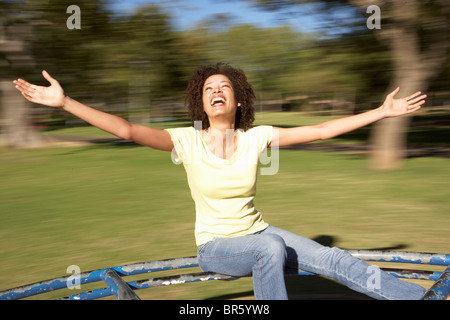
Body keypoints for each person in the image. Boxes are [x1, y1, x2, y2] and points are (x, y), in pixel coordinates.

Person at [13, 63, 427, 300]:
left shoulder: (257, 137)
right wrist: (65, 102)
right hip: (216, 248)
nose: (216, 91)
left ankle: (424, 299)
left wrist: (381, 112)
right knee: (269, 246)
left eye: (224, 87)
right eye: (209, 88)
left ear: (237, 99)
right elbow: (126, 130)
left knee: (334, 259)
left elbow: (321, 131)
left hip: (259, 233)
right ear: (202, 101)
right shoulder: (186, 140)